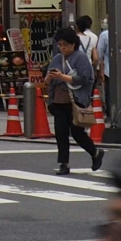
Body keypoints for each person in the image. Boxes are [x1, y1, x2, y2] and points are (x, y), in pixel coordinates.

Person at [43, 25, 104, 175]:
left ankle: (95, 152)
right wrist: (49, 78)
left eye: (65, 45)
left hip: (75, 100)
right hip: (58, 100)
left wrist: (62, 77)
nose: (62, 48)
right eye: (60, 45)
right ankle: (63, 163)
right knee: (61, 133)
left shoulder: (80, 57)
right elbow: (47, 81)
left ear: (73, 44)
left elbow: (84, 78)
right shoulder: (57, 59)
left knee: (77, 132)